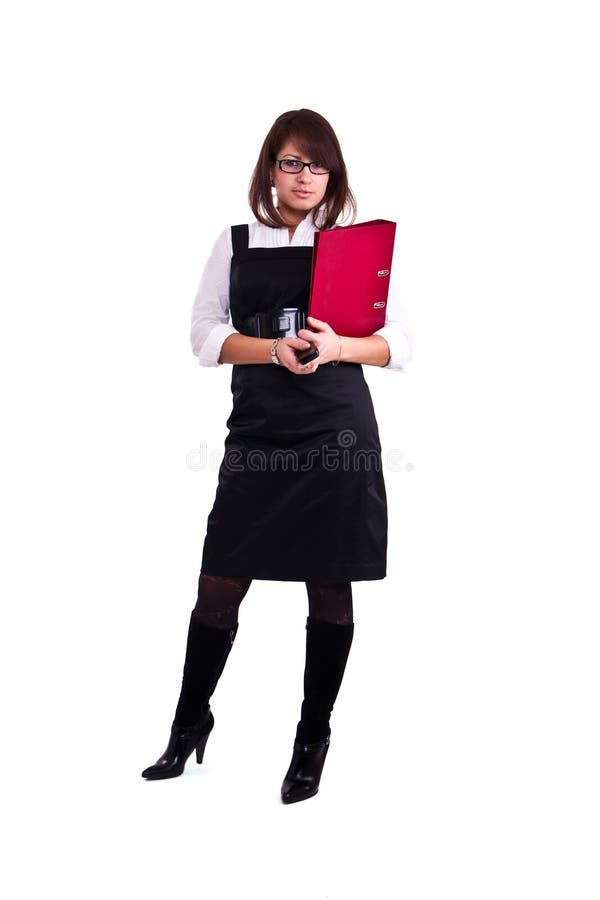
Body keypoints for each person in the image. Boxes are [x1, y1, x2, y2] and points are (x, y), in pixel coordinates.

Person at [141, 108, 412, 803]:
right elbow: (203, 336)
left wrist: (339, 348)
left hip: (336, 432)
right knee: (220, 581)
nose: (305, 176)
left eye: (317, 164)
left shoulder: (355, 247)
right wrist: (270, 350)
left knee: (330, 584)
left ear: (333, 175)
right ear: (270, 168)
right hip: (259, 432)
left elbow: (400, 342)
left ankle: (311, 738)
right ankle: (188, 720)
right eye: (292, 162)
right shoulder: (234, 243)